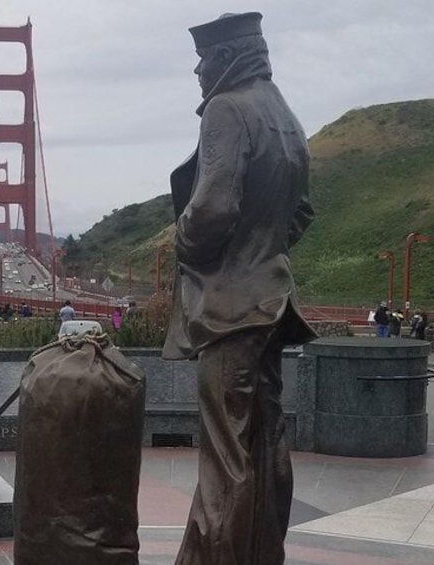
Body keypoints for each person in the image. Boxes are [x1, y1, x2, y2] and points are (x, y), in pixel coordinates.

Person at [162, 13, 316, 564]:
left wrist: (182, 240)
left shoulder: (228, 110)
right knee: (266, 444)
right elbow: (301, 213)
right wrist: (265, 245)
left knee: (225, 459)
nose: (198, 70)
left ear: (227, 59)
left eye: (204, 58)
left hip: (230, 310)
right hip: (271, 303)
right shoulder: (285, 114)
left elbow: (211, 212)